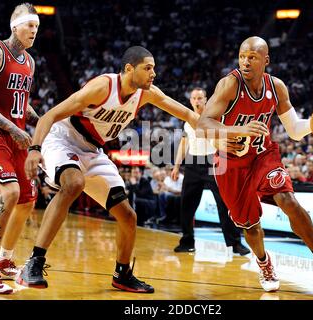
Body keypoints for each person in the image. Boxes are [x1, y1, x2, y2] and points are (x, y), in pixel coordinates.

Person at [18, 46, 200, 293]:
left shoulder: (146, 94)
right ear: (129, 69)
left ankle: (122, 274)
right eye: (148, 68)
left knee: (128, 217)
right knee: (73, 183)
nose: (153, 73)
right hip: (63, 138)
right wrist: (35, 149)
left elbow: (189, 114)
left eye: (154, 68)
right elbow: (49, 115)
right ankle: (34, 261)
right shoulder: (102, 87)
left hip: (93, 150)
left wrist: (223, 133)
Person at [197, 36, 313, 292]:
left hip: (263, 156)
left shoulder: (277, 87)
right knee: (251, 226)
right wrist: (238, 130)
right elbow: (204, 123)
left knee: (287, 199)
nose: (246, 62)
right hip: (231, 164)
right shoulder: (229, 85)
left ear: (266, 60)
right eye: (242, 56)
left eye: (253, 57)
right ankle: (264, 263)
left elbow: (293, 129)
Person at [0, 3, 40, 294]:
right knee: (11, 192)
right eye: (30, 26)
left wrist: (36, 118)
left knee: (28, 199)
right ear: (16, 25)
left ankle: (4, 261)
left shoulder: (29, 62)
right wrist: (13, 127)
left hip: (15, 135)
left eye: (37, 28)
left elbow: (19, 99)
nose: (34, 32)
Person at [171, 87, 250, 255]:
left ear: (206, 100)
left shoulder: (214, 118)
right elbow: (183, 145)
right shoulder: (187, 122)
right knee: (186, 205)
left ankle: (235, 243)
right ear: (190, 101)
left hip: (212, 161)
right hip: (192, 163)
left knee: (224, 204)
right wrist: (177, 166)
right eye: (194, 98)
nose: (197, 101)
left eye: (200, 98)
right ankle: (187, 241)